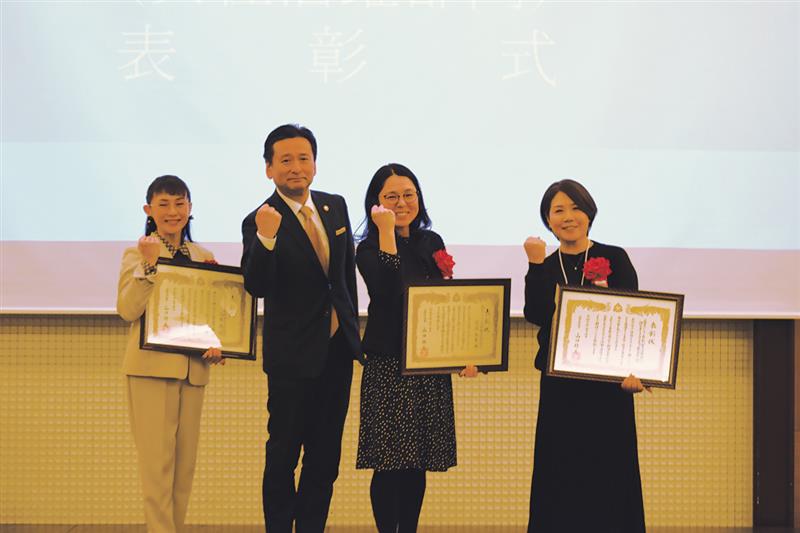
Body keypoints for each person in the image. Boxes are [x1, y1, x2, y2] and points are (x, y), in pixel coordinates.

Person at [240, 124, 362, 532]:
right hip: (292, 359)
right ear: (269, 169)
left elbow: (343, 278)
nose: (296, 167)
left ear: (315, 164)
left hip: (337, 353)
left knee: (325, 459)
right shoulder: (259, 218)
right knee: (283, 456)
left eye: (303, 158)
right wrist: (266, 237)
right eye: (286, 160)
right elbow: (257, 285)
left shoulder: (335, 206)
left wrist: (351, 333)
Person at [355, 163, 478, 533]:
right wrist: (386, 231)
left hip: (428, 363)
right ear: (376, 203)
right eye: (391, 196)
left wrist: (461, 353)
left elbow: (447, 303)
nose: (402, 202)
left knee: (418, 460)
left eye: (409, 194)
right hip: (388, 363)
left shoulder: (431, 241)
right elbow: (388, 290)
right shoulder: (367, 247)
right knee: (388, 462)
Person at [523, 178, 647, 533]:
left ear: (589, 213)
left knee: (611, 473)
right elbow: (536, 314)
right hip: (560, 386)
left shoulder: (615, 257)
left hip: (608, 388)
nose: (568, 217)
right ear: (548, 220)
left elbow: (633, 318)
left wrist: (635, 372)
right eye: (558, 210)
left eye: (575, 208)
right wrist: (534, 265)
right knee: (559, 472)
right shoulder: (545, 263)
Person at [116, 175, 225, 533]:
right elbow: (128, 310)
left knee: (184, 468)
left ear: (190, 208)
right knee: (157, 466)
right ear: (148, 210)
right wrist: (149, 267)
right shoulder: (137, 254)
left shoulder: (203, 257)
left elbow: (211, 314)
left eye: (180, 203)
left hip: (193, 372)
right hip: (150, 370)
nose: (173, 211)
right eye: (163, 204)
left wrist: (218, 343)